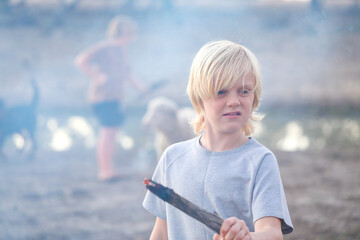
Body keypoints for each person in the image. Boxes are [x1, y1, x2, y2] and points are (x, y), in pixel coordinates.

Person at [143, 40, 293, 239]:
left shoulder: (260, 161)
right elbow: (161, 232)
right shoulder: (172, 157)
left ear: (254, 97)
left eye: (244, 91)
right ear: (199, 100)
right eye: (220, 92)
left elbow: (272, 234)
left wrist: (247, 236)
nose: (233, 101)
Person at [74, 15, 147, 181]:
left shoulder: (122, 51)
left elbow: (128, 74)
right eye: (130, 33)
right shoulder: (105, 47)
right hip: (102, 97)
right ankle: (104, 171)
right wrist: (96, 76)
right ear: (122, 32)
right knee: (106, 133)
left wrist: (141, 88)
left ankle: (110, 169)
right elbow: (81, 60)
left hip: (116, 98)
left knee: (113, 132)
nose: (131, 37)